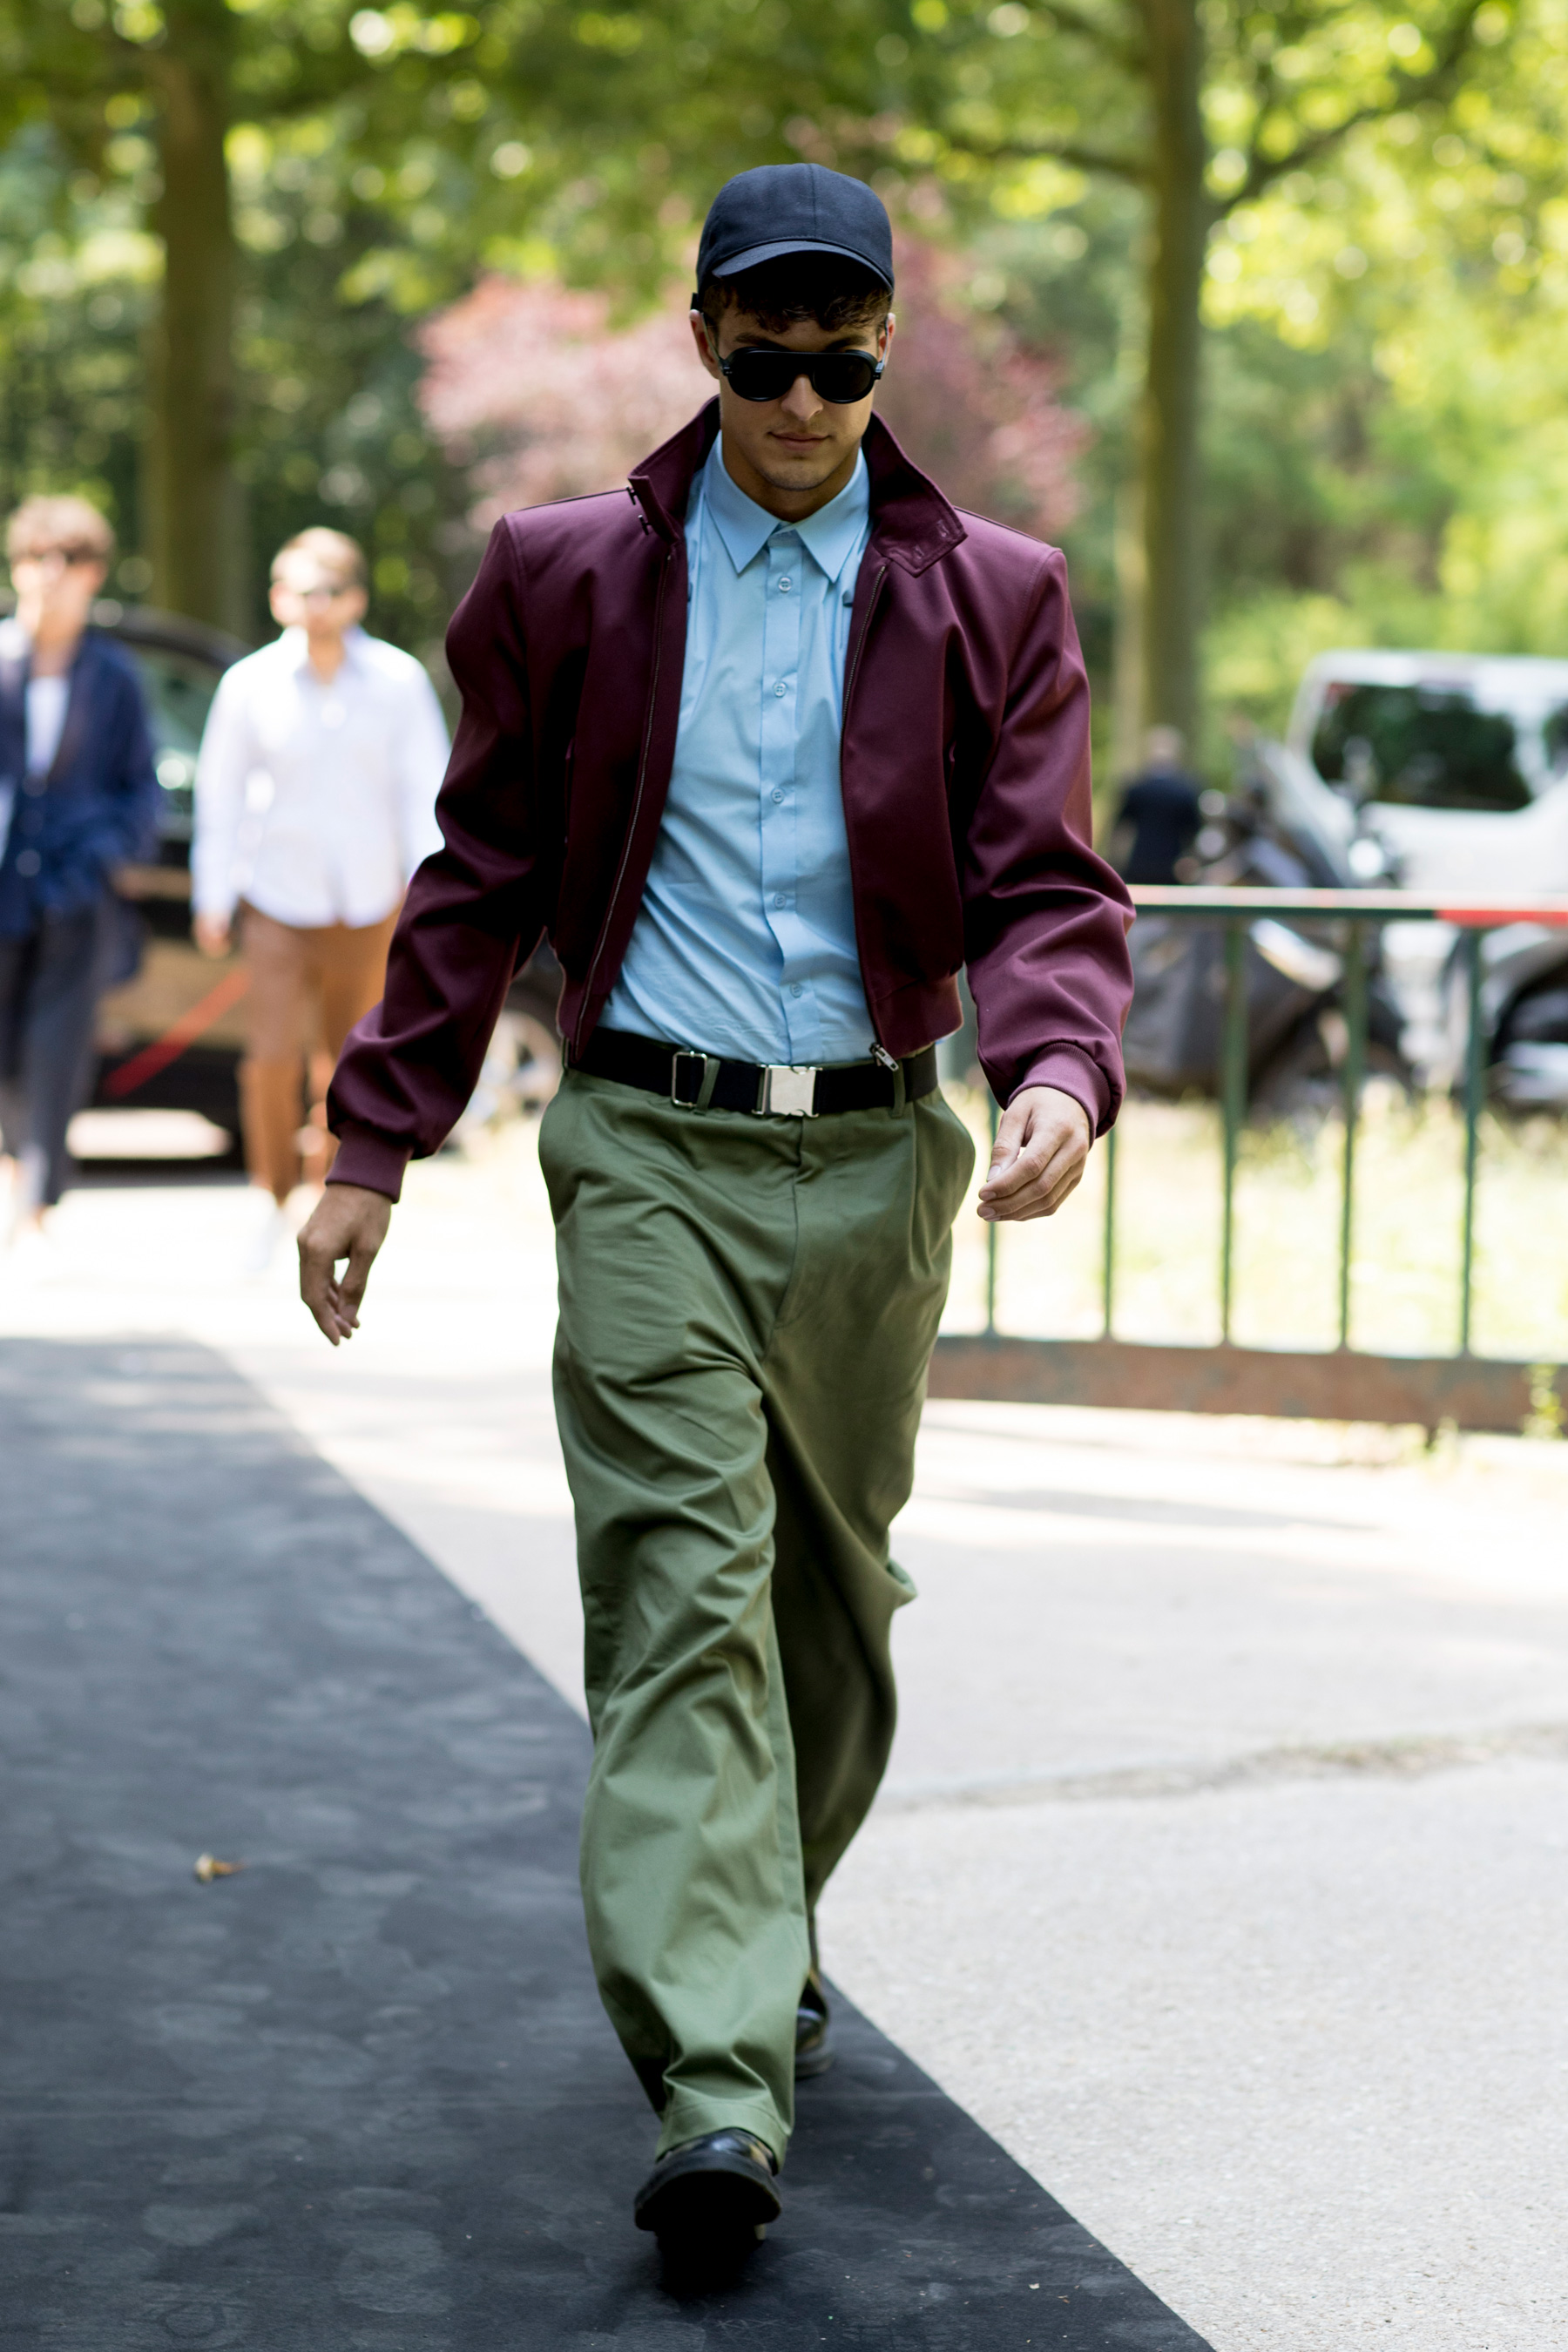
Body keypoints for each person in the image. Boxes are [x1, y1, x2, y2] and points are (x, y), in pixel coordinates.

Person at [300, 165, 1132, 2260]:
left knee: (831, 1622)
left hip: (876, 1159)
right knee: (684, 1589)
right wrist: (373, 1138)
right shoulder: (568, 574)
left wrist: (1058, 1067)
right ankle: (717, 2078)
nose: (803, 400)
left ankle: (757, 1920)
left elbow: (1046, 878)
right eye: (765, 360)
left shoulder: (995, 594)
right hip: (648, 1146)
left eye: (841, 362)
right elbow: (479, 875)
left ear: (882, 352)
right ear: (704, 344)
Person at [192, 527, 449, 1262]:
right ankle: (269, 1195)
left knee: (349, 1062)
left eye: (330, 591)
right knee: (271, 1059)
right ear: (278, 598)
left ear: (355, 599)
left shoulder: (397, 681)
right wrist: (213, 896)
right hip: (276, 899)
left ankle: (328, 1196)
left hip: (370, 903)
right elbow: (221, 794)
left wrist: (427, 892)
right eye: (300, 591)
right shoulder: (249, 684)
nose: (315, 605)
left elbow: (424, 789)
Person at [0, 495, 159, 1244]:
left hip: (76, 886)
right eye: (36, 558)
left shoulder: (114, 676)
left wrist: (106, 854)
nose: (50, 575)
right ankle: (13, 1167)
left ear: (93, 574)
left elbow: (139, 788)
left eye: (67, 561)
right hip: (4, 877)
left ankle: (38, 1193)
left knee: (58, 1041)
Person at [1110, 724, 1205, 883]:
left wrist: (1116, 861)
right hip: (1174, 866)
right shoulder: (1187, 790)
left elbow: (1121, 829)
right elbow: (1195, 831)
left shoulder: (1135, 788)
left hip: (1138, 864)